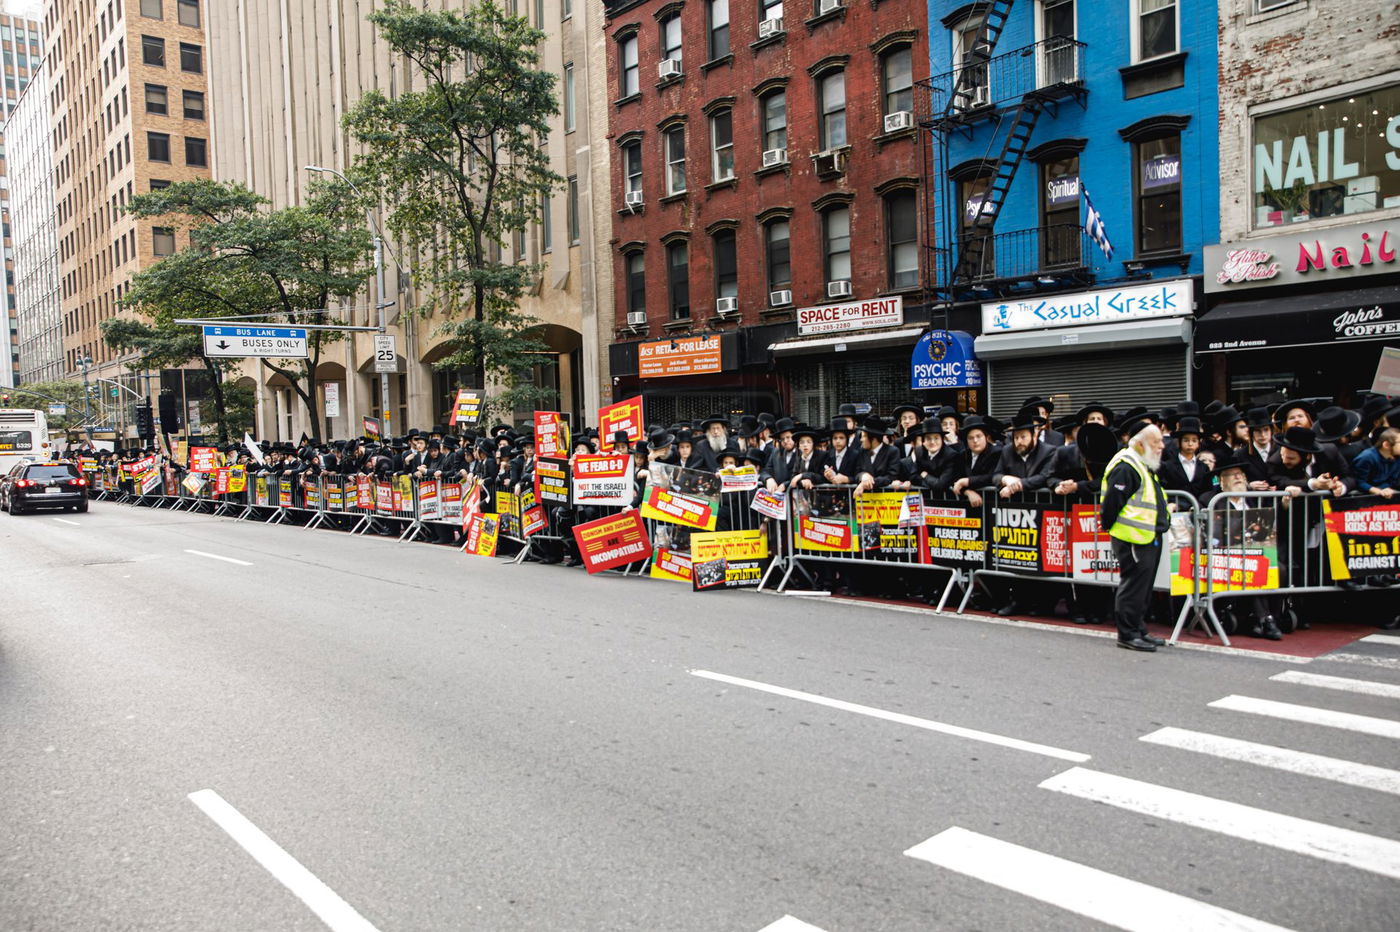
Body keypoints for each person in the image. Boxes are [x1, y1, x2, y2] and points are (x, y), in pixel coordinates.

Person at [1100, 420, 1170, 652]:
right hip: (1132, 537)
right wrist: (1112, 528)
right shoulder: (1127, 466)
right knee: (1133, 587)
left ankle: (1138, 629)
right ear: (1139, 444)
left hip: (1146, 535)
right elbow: (1111, 504)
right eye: (1156, 442)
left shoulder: (1142, 464)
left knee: (1143, 587)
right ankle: (1127, 634)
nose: (1162, 446)